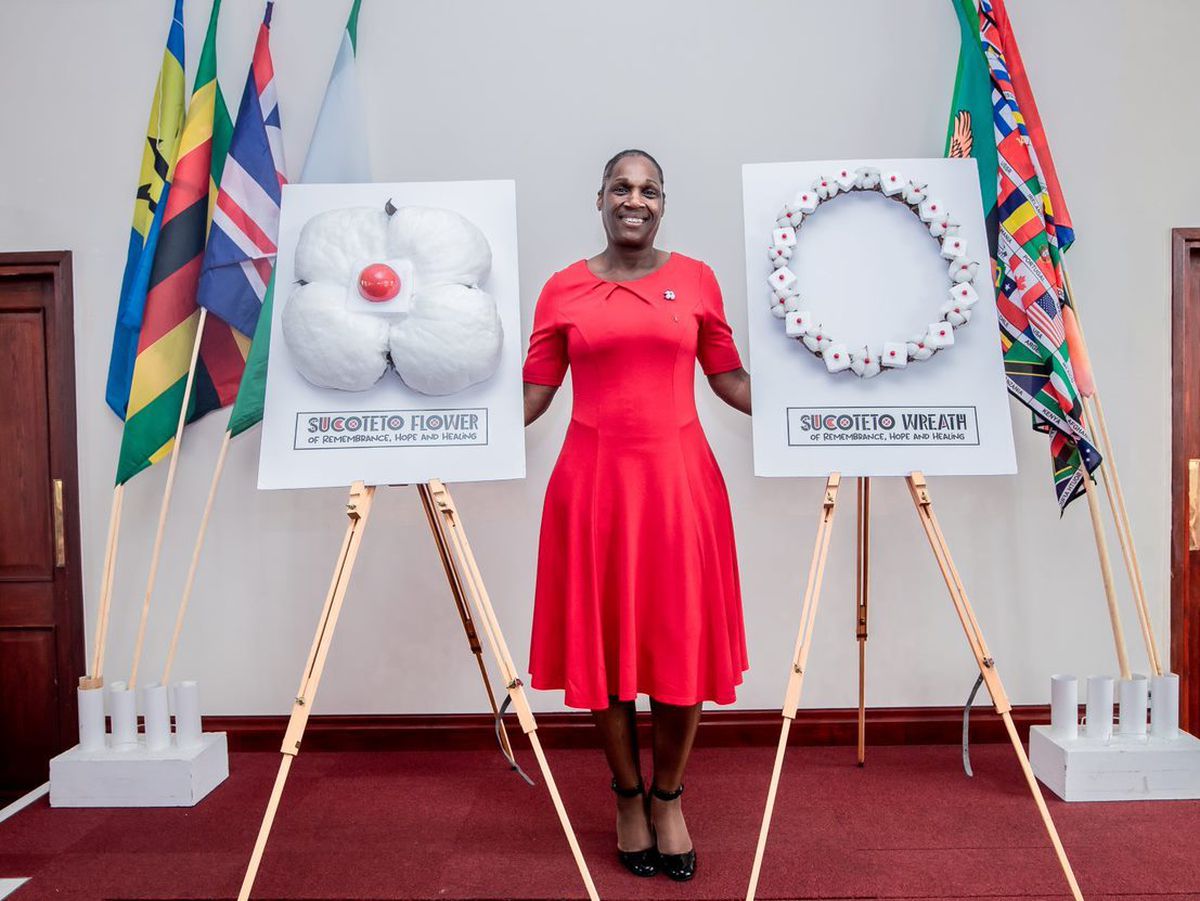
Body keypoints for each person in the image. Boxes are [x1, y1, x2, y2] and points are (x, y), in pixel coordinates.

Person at [522, 149, 751, 882]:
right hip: (592, 490)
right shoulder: (561, 289)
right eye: (622, 187)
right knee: (607, 646)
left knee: (679, 641)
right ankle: (627, 796)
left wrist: (823, 397)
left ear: (663, 203)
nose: (635, 198)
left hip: (681, 487)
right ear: (599, 199)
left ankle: (668, 795)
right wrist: (434, 425)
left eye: (649, 189)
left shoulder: (698, 280)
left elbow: (730, 380)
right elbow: (532, 396)